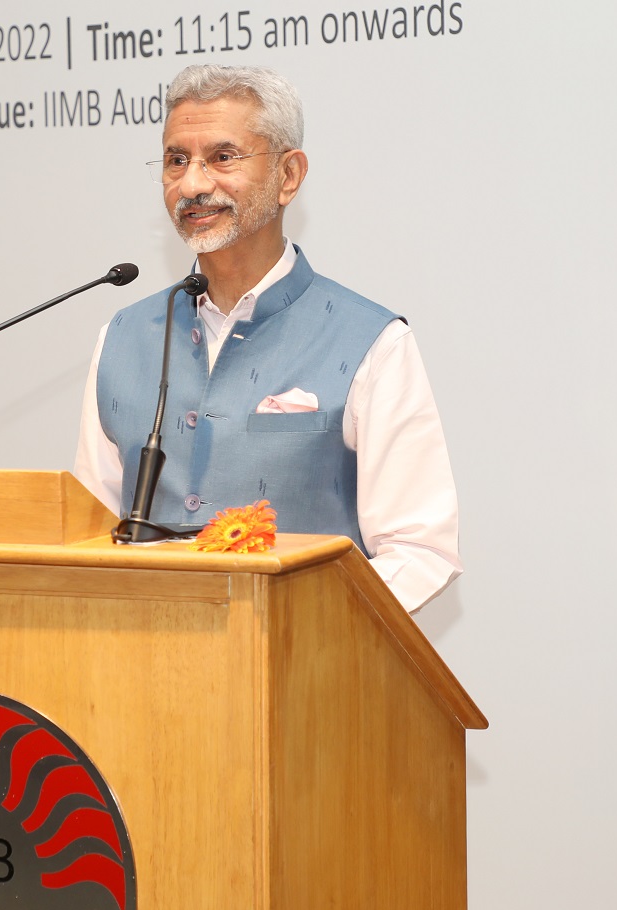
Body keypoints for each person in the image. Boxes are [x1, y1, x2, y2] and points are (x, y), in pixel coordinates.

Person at [73, 64, 460, 613]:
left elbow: (420, 549)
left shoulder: (371, 340)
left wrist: (310, 631)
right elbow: (89, 536)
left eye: (223, 157)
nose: (193, 184)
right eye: (176, 160)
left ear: (289, 175)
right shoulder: (124, 337)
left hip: (300, 677)